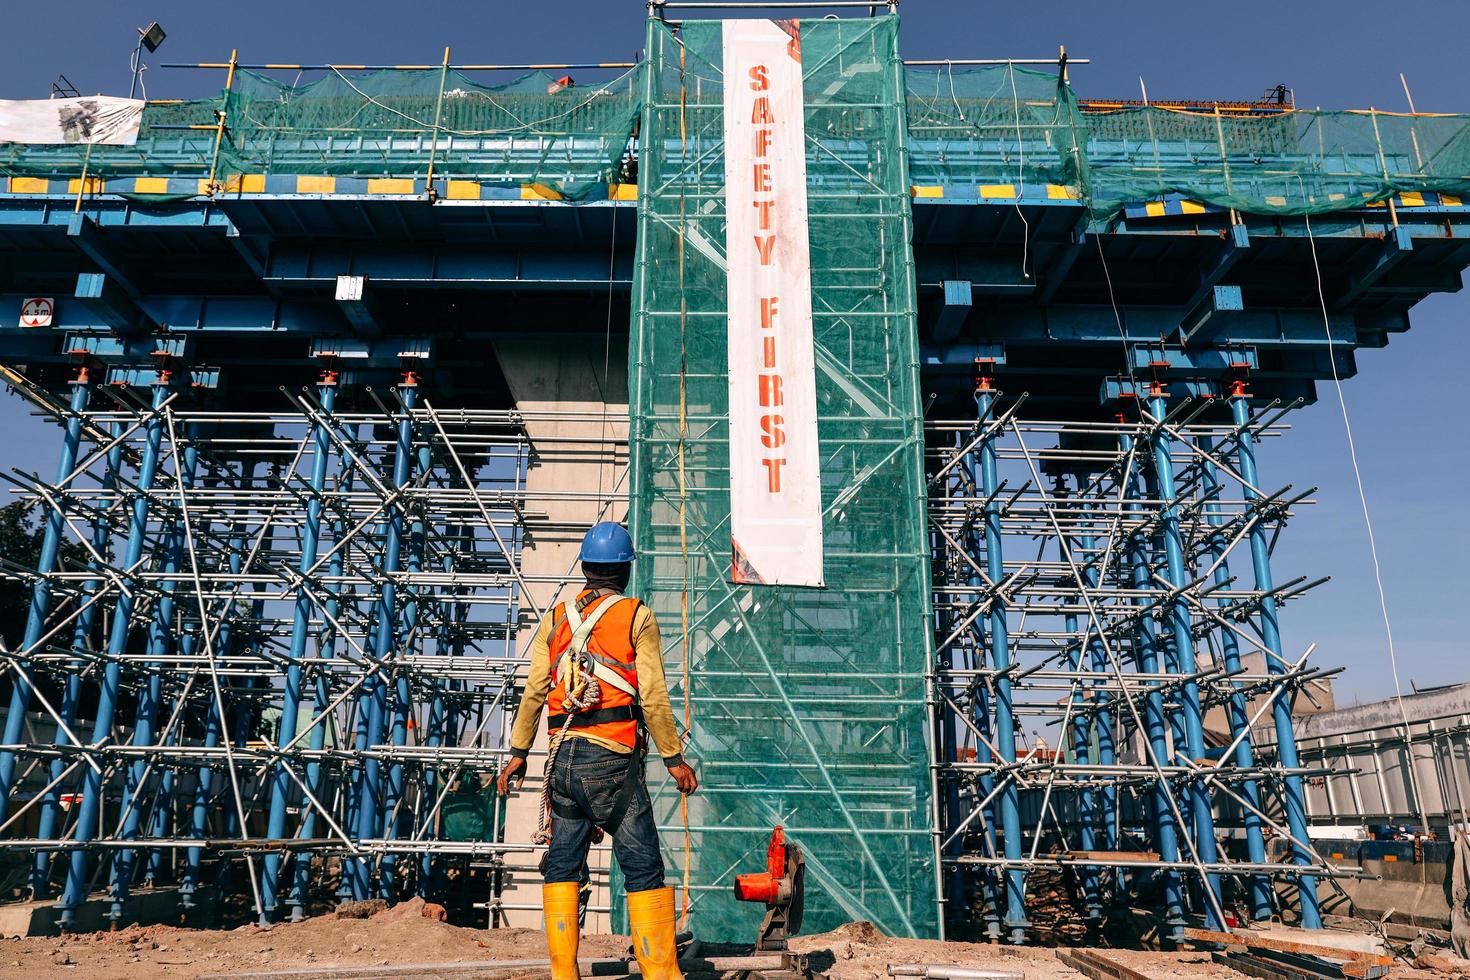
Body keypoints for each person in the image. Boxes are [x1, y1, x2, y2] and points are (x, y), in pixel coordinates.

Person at [498, 521, 698, 980]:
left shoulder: (556, 617)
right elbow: (652, 695)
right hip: (611, 761)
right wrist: (673, 758)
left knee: (564, 864)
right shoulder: (636, 616)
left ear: (587, 568)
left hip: (562, 762)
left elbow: (533, 691)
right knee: (643, 867)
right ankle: (662, 974)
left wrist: (517, 752)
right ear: (625, 571)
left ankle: (564, 974)